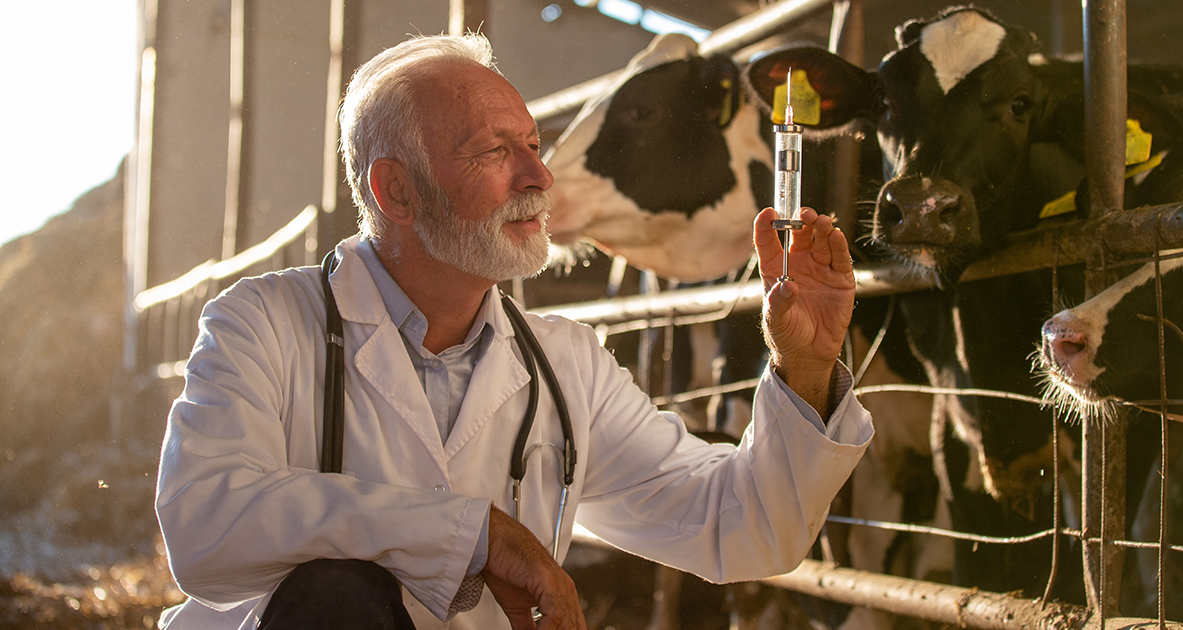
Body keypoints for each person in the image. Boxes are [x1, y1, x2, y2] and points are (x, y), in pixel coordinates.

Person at [155, 33, 873, 630]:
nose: (539, 175)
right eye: (493, 151)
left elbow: (743, 527)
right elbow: (205, 527)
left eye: (533, 142)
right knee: (335, 597)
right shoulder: (263, 323)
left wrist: (804, 367)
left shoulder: (567, 364)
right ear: (395, 191)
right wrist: (475, 534)